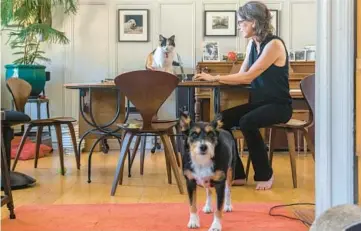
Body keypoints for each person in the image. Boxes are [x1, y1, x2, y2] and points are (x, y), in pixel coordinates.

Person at [194, 1, 293, 190]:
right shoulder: (251, 45)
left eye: (241, 23)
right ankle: (237, 173)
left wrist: (215, 77)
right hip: (260, 104)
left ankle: (265, 174)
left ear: (254, 22)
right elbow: (242, 74)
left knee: (248, 121)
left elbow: (248, 77)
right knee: (220, 120)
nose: (239, 27)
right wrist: (216, 79)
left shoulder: (274, 44)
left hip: (280, 106)